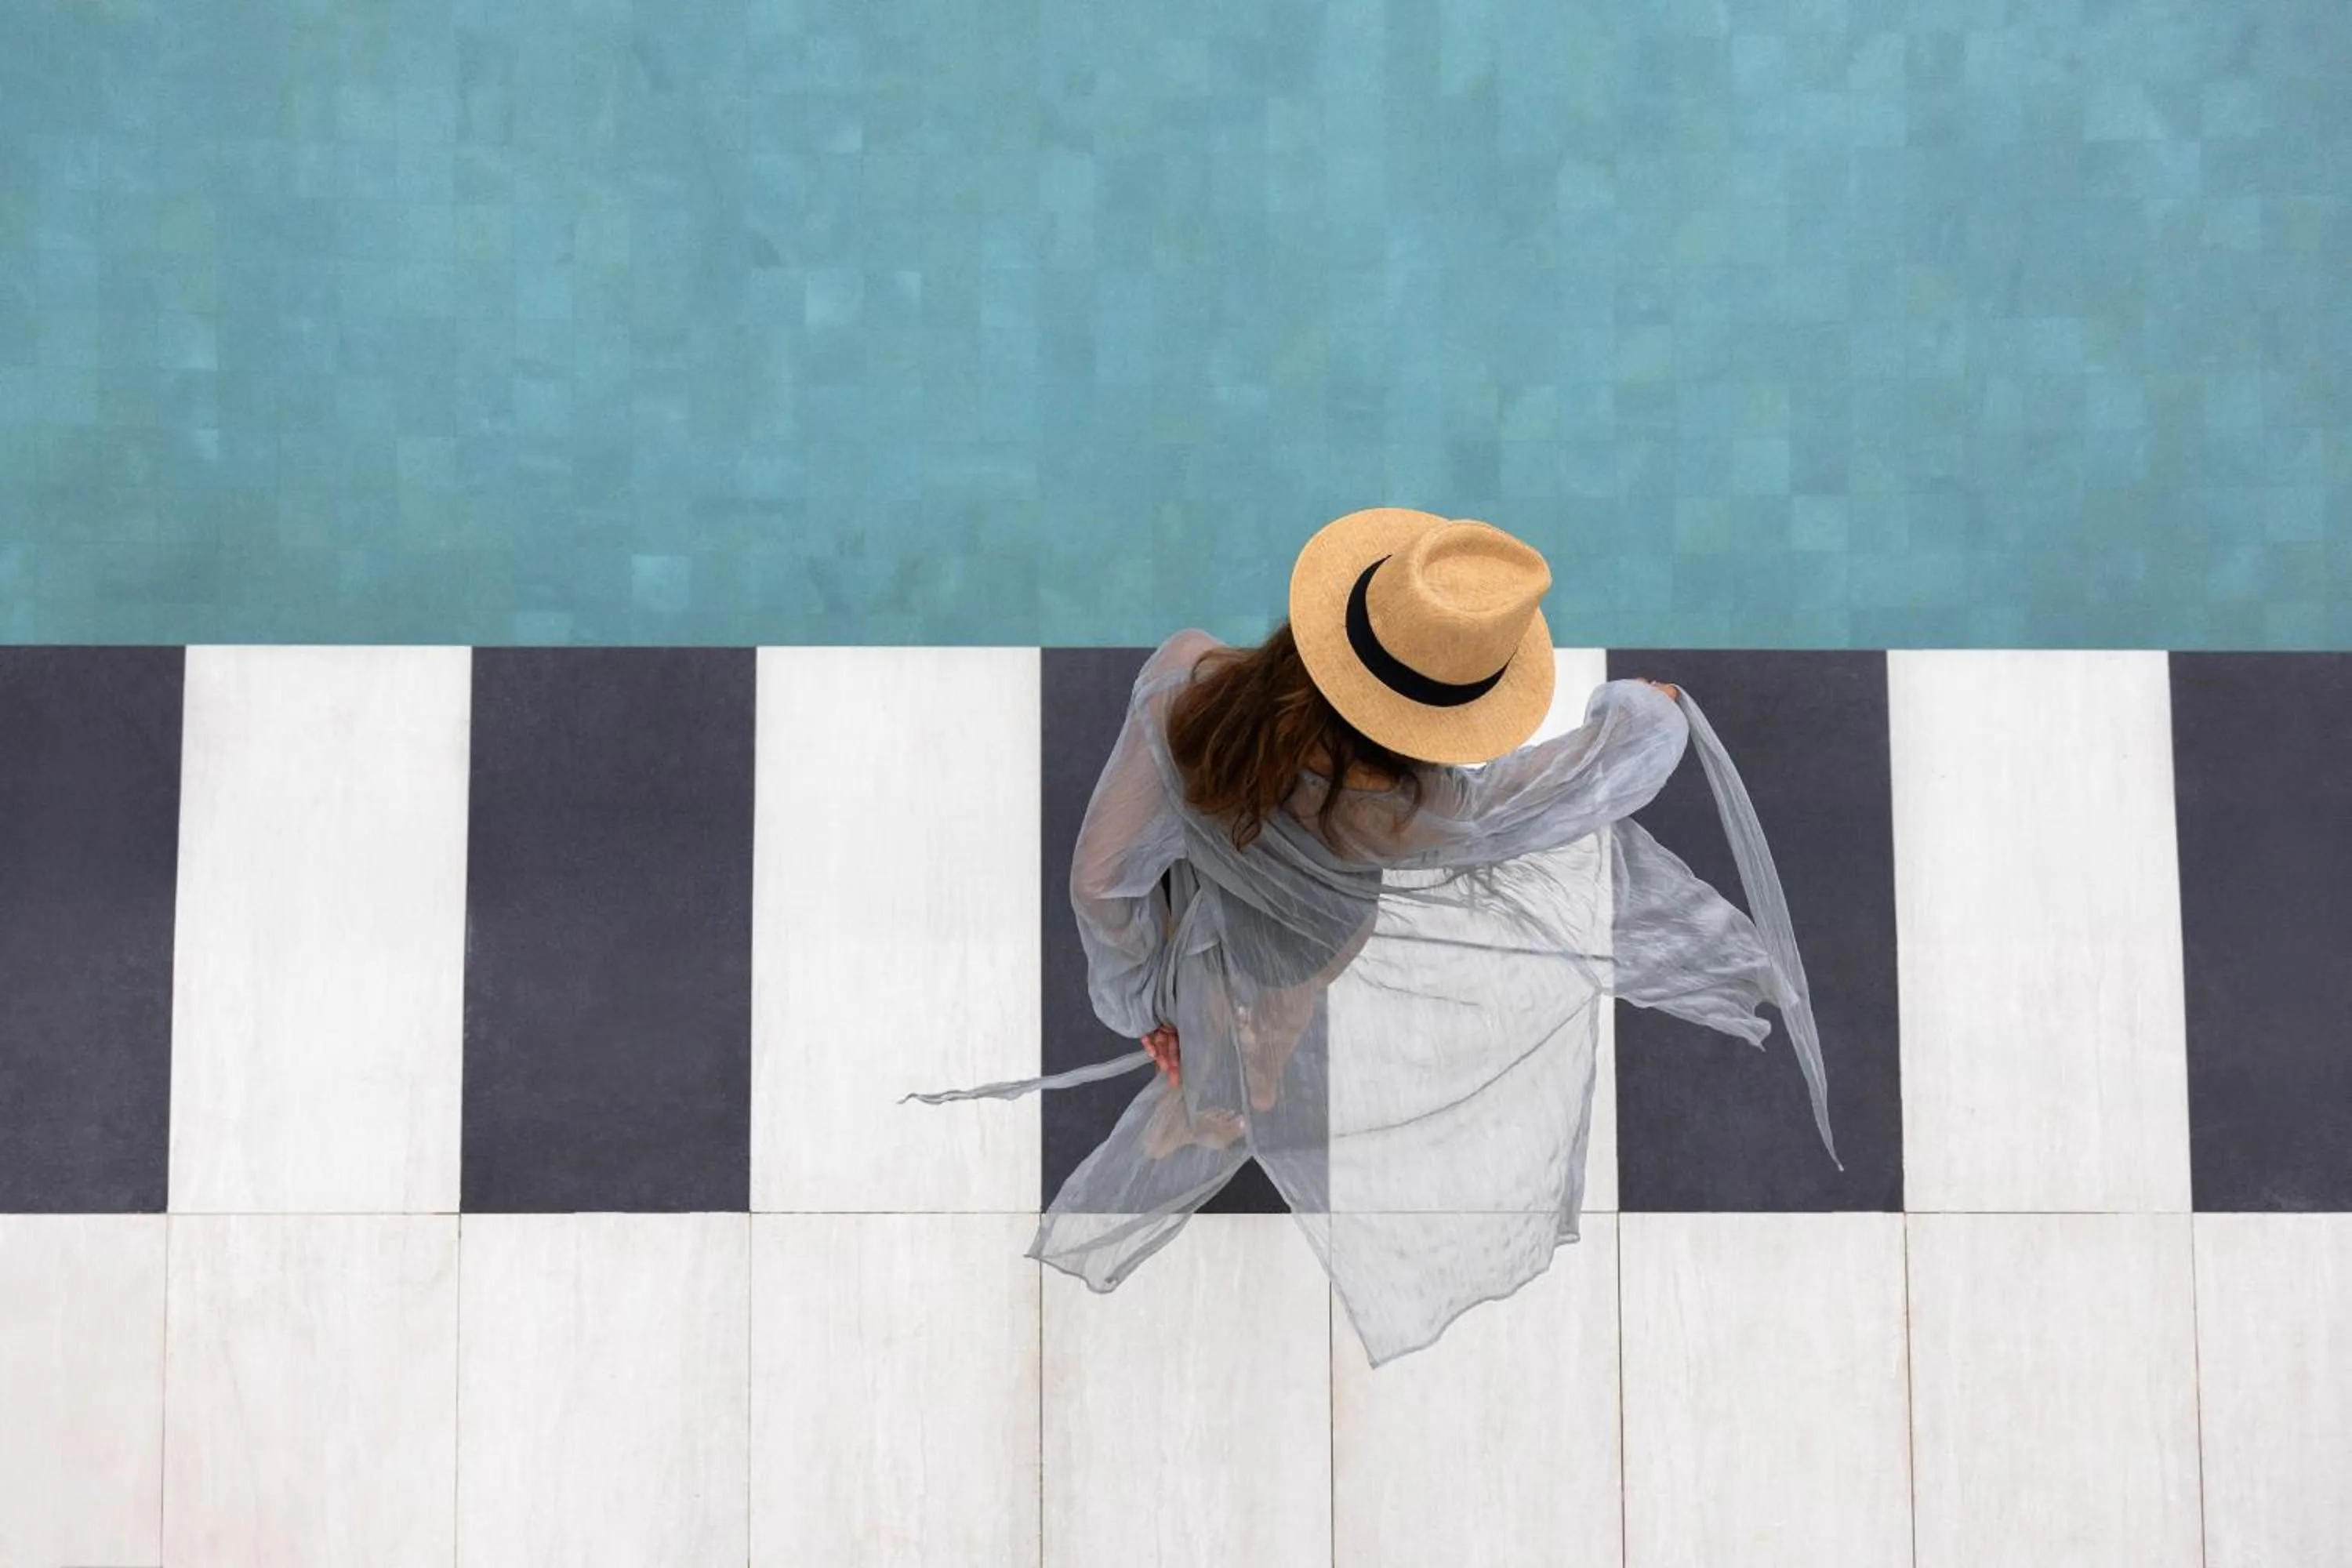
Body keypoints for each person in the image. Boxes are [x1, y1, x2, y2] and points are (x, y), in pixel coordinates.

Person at [914, 506, 1837, 1365]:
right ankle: (1241, 1090)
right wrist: (1647, 713)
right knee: (1276, 1022)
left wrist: (1141, 999)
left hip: (1201, 895)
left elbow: (1103, 876)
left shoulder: (1185, 686)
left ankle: (1206, 1094)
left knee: (1223, 1020)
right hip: (1311, 944)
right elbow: (1553, 792)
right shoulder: (1416, 806)